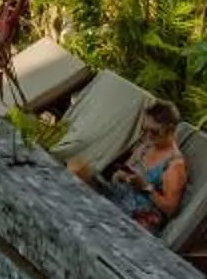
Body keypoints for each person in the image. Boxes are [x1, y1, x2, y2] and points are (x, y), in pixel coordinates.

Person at [73, 99, 189, 233]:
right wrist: (121, 175)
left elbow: (170, 209)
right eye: (145, 130)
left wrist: (146, 187)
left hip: (136, 217)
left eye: (154, 132)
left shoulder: (174, 166)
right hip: (118, 197)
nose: (148, 136)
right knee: (77, 168)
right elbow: (128, 168)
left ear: (171, 130)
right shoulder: (147, 145)